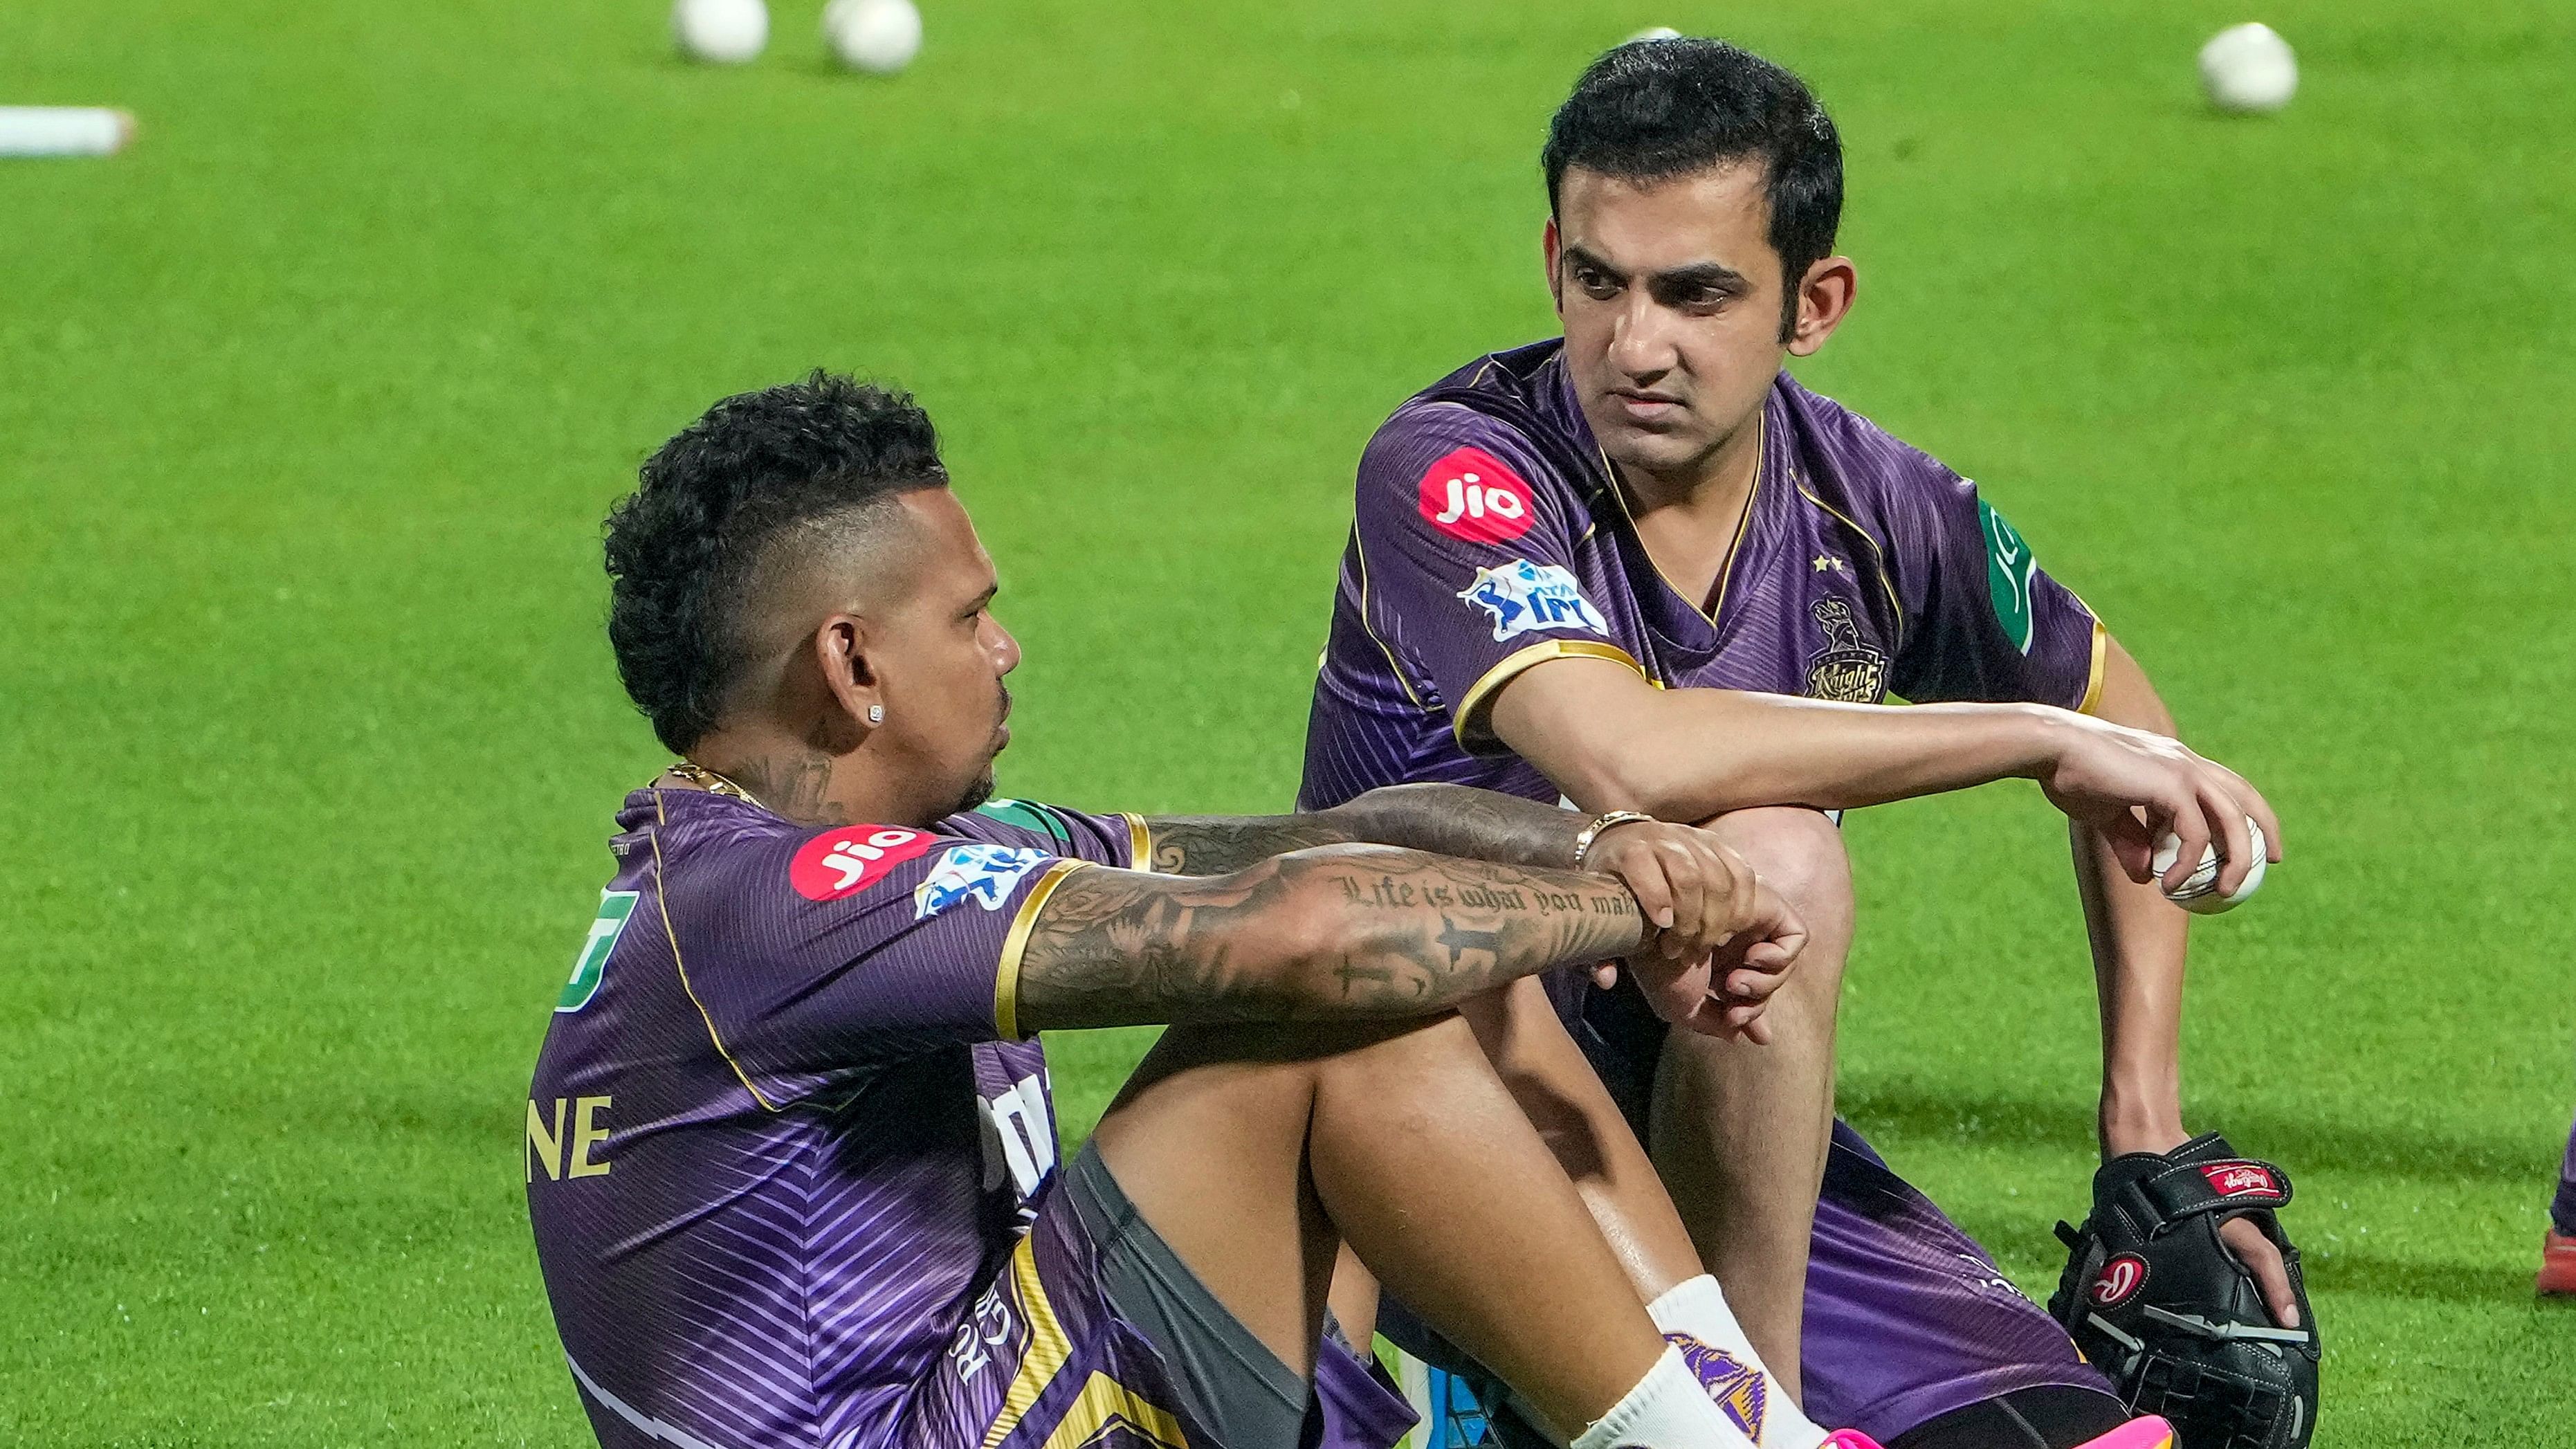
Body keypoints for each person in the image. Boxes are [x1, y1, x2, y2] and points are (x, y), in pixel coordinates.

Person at [524, 373, 1890, 1449]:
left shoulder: (869, 860)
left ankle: (1745, 1423)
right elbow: (1309, 934)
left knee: (1430, 935)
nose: (1005, 649)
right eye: (968, 617)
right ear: (852, 659)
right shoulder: (762, 905)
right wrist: (1621, 924)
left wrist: (1609, 848)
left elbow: (1340, 839)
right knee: (1346, 998)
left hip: (992, 1400)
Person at [1299, 37, 2306, 1449]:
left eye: (1695, 293)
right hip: (1443, 1111)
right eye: (1598, 280)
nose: (1633, 342)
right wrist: (2028, 737)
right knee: (1776, 855)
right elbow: (1626, 752)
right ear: (1551, 261)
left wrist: (2137, 1114)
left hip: (1713, 1123)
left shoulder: (1868, 501)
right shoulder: (1454, 471)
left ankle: (1737, 1403)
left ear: (1810, 302)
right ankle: (1716, 1417)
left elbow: (2122, 722)